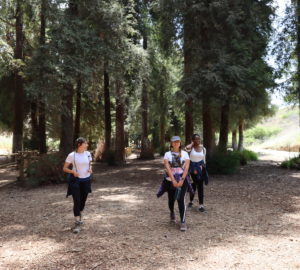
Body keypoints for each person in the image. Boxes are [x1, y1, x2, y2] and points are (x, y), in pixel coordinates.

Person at [63, 137, 92, 233]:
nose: (87, 145)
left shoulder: (88, 154)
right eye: (85, 143)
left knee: (83, 201)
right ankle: (77, 223)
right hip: (75, 181)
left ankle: (80, 216)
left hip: (86, 180)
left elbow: (89, 163)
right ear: (79, 145)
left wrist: (90, 168)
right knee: (77, 201)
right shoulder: (72, 155)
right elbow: (65, 168)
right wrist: (73, 172)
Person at [162, 136, 191, 231]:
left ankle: (183, 221)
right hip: (170, 181)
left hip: (183, 180)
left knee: (181, 199)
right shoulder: (167, 154)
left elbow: (186, 167)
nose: (176, 143)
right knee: (171, 199)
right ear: (171, 143)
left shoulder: (185, 154)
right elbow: (167, 167)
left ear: (180, 143)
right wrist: (174, 180)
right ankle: (172, 212)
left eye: (178, 142)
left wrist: (182, 180)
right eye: (174, 142)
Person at [185, 134, 207, 212]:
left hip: (200, 170)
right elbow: (186, 148)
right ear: (193, 140)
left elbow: (204, 160)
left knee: (200, 187)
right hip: (192, 170)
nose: (198, 140)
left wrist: (203, 168)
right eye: (196, 139)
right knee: (193, 186)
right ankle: (191, 201)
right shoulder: (191, 149)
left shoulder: (203, 149)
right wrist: (191, 144)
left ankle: (201, 205)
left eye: (199, 139)